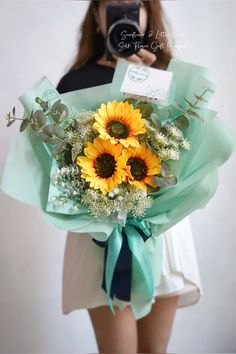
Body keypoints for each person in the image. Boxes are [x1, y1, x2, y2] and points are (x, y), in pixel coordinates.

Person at [56, 1, 203, 353]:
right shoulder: (75, 82)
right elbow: (63, 165)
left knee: (154, 349)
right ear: (96, 16)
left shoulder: (165, 73)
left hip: (160, 228)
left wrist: (148, 82)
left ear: (149, 13)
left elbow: (180, 155)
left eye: (134, 5)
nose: (126, 14)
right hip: (100, 234)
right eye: (114, 5)